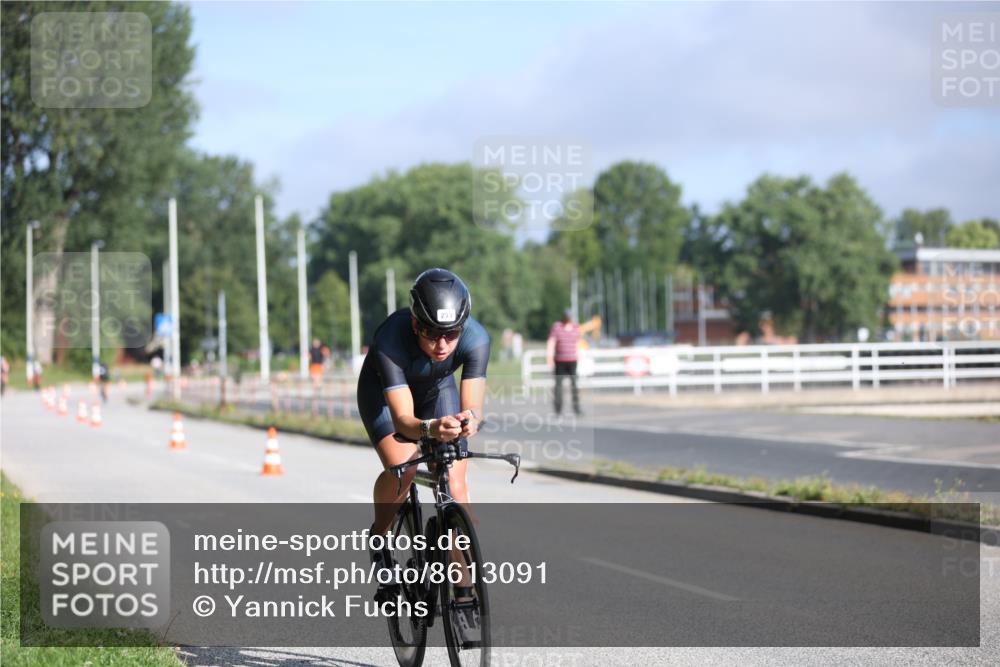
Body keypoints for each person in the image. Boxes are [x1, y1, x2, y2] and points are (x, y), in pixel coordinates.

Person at [356, 268, 489, 598]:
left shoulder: (477, 339)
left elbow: (472, 407)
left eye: (452, 333)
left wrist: (469, 421)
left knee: (454, 484)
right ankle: (380, 538)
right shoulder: (390, 340)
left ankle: (463, 589)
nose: (442, 345)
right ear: (415, 324)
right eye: (431, 333)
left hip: (436, 390)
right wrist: (430, 428)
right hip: (385, 397)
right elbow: (403, 420)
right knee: (406, 466)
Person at [546, 309, 581, 416]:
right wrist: (549, 358)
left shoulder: (575, 328)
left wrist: (580, 357)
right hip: (560, 361)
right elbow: (551, 342)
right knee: (558, 386)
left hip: (572, 360)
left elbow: (579, 344)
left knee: (574, 385)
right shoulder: (557, 327)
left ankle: (577, 408)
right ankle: (558, 409)